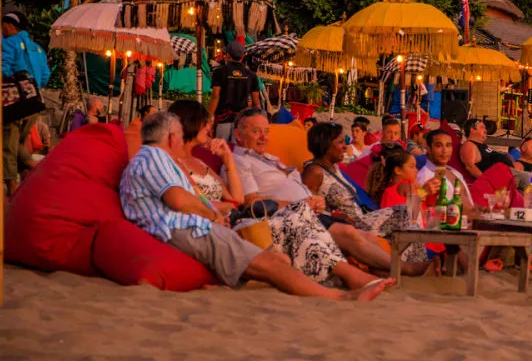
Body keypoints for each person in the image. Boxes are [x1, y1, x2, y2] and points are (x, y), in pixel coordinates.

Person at [119, 111, 392, 300]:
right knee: (272, 259)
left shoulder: (160, 161)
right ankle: (342, 295)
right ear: (170, 138)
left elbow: (197, 198)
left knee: (276, 260)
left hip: (201, 226)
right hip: (190, 229)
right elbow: (179, 200)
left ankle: (349, 279)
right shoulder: (153, 156)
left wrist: (214, 211)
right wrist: (212, 213)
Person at [230, 110, 410, 273]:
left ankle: (394, 269)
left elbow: (303, 192)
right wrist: (301, 204)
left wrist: (317, 203)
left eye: (266, 131)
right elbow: (252, 202)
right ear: (238, 135)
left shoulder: (272, 159)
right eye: (256, 132)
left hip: (313, 213)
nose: (263, 137)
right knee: (351, 232)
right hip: (290, 217)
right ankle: (405, 269)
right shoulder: (240, 161)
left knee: (368, 236)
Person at [301, 122, 432, 273]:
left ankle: (413, 263)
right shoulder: (314, 172)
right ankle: (414, 265)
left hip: (362, 219)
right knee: (406, 210)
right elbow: (305, 210)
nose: (345, 146)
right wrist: (333, 215)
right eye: (340, 142)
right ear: (325, 145)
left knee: (411, 212)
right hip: (351, 224)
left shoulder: (334, 168)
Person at [2, 12, 51, 195]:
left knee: (7, 144)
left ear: (10, 26)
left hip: (14, 104)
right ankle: (32, 177)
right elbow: (45, 76)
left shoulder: (8, 43)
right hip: (34, 104)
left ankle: (13, 188)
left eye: (3, 26)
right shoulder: (38, 48)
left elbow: (2, 68)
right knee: (19, 144)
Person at [168, 99, 244, 213]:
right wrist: (226, 206)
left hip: (227, 221)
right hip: (205, 223)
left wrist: (228, 158)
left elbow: (237, 200)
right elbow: (187, 203)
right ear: (190, 123)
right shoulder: (172, 163)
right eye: (204, 123)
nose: (209, 128)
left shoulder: (200, 163)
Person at [207, 41, 260, 140]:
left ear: (227, 55)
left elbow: (215, 97)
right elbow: (256, 103)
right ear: (243, 56)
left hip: (223, 120)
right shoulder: (251, 75)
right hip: (242, 122)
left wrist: (209, 119)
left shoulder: (219, 72)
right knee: (237, 153)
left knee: (220, 150)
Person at [460, 118, 529, 191]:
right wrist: (487, 182)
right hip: (499, 180)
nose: (486, 130)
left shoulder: (481, 146)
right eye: (482, 127)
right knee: (529, 179)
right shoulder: (469, 145)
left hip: (509, 175)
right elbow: (470, 166)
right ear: (472, 130)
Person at [416, 129, 474, 213]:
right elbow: (418, 209)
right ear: (428, 148)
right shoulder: (425, 176)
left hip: (473, 222)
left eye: (448, 145)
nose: (445, 151)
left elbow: (466, 202)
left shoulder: (454, 172)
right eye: (439, 146)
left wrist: (480, 208)